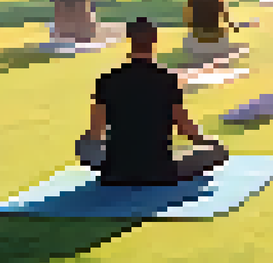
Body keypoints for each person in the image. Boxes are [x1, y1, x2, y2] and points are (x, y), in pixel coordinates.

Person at [77, 18, 229, 186]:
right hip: (160, 171)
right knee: (217, 152)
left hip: (116, 171)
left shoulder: (106, 81)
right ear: (154, 39)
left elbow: (95, 132)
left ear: (129, 39)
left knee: (83, 146)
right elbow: (185, 129)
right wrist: (209, 142)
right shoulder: (168, 80)